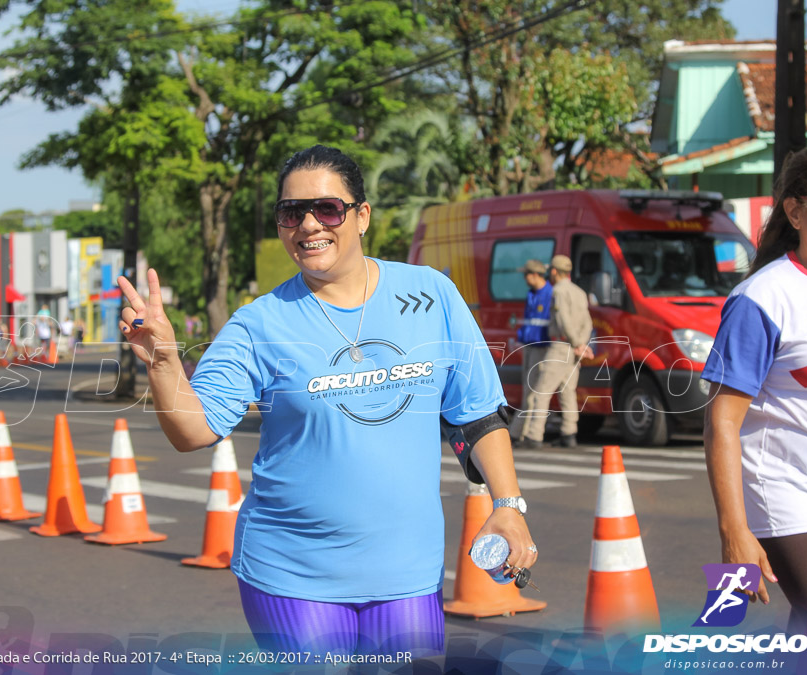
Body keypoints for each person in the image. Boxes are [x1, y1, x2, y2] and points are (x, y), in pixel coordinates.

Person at [118, 144, 537, 658]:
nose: (310, 224)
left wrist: (508, 506)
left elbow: (475, 416)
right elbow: (194, 431)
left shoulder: (432, 294)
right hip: (293, 571)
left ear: (361, 217)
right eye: (292, 212)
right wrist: (163, 363)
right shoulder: (259, 323)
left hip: (407, 571)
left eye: (328, 209)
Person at [702, 146, 807, 658]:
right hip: (785, 491)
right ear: (796, 212)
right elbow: (723, 424)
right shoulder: (763, 298)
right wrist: (734, 531)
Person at [519, 255, 594, 449]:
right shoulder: (579, 291)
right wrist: (582, 343)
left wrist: (575, 342)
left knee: (540, 391)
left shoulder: (558, 292)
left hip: (561, 346)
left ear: (553, 271)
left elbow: (562, 320)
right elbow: (587, 322)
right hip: (574, 348)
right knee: (567, 391)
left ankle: (534, 436)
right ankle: (569, 433)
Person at [515, 259, 552, 446]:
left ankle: (529, 434)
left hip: (542, 347)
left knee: (535, 391)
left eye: (526, 274)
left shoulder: (550, 294)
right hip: (530, 346)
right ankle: (519, 432)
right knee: (527, 391)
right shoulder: (532, 294)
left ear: (535, 275)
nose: (524, 278)